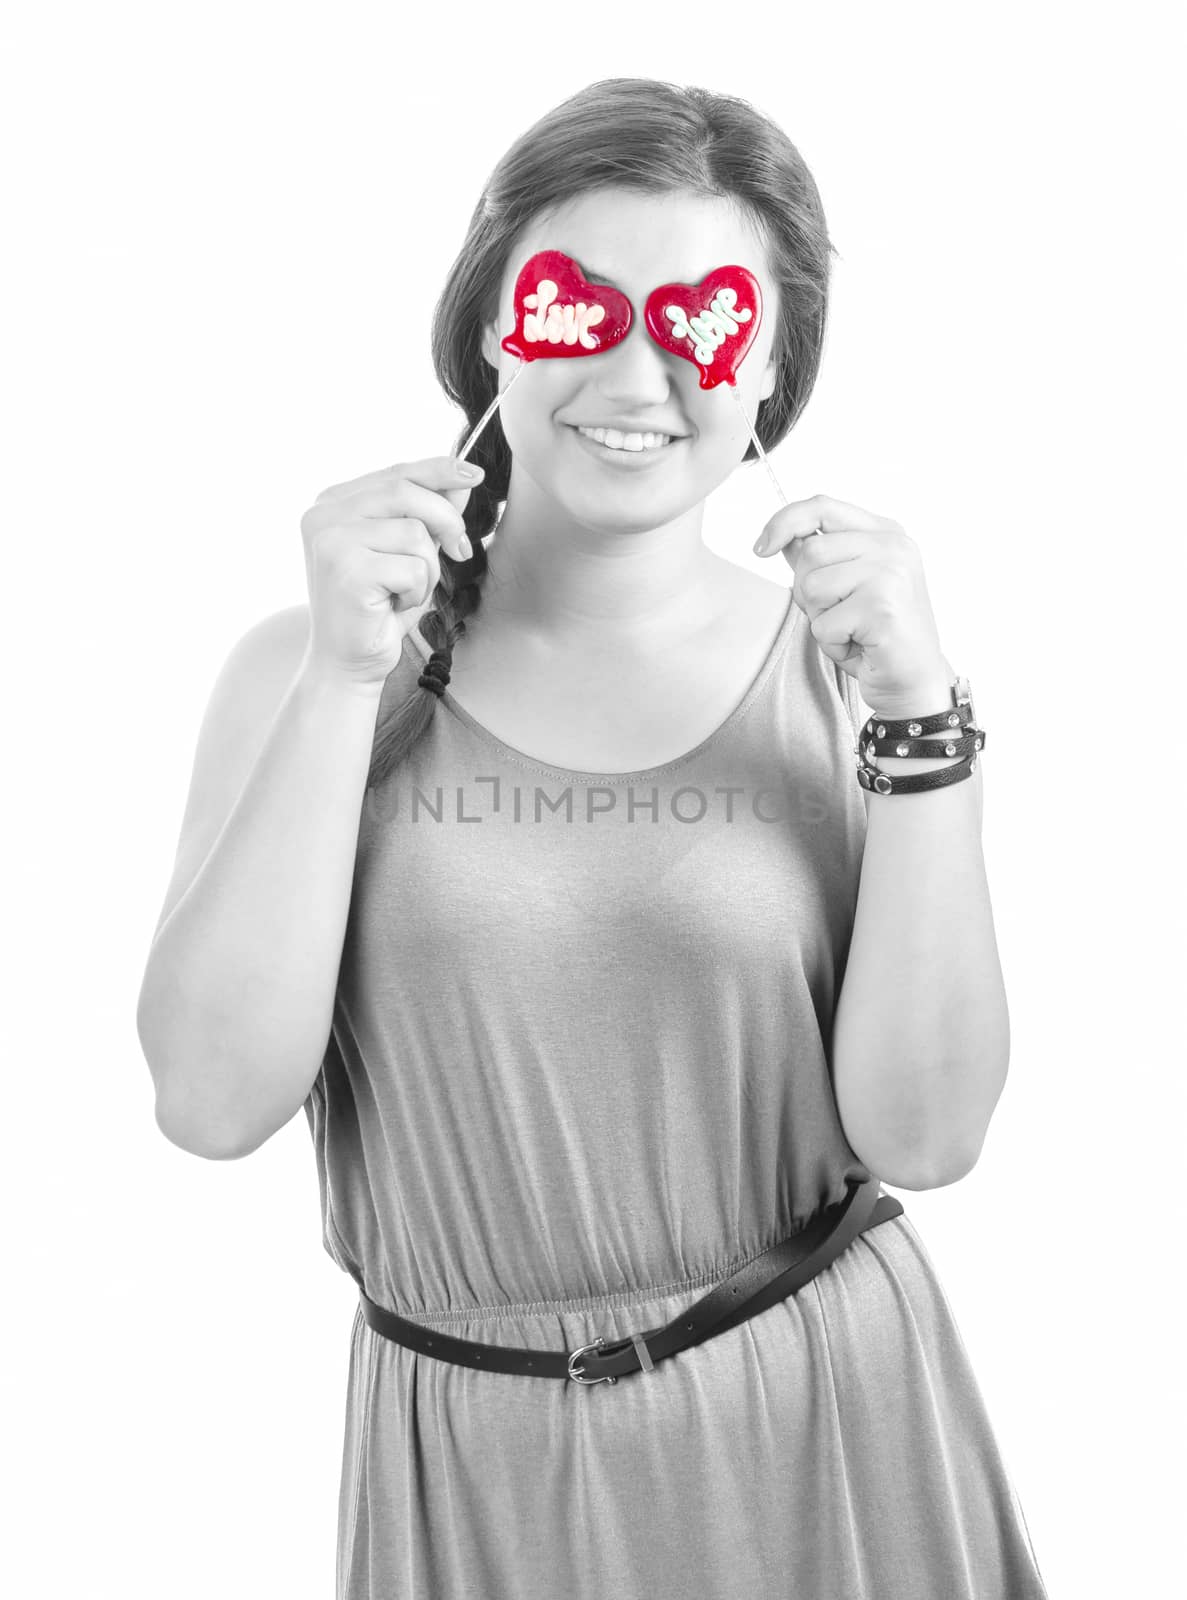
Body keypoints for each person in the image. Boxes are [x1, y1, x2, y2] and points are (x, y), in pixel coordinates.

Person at [137, 76, 1049, 1600]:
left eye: (701, 322)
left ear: (770, 377)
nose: (638, 370)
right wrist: (348, 682)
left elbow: (931, 1138)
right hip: (475, 1471)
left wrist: (923, 727)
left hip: (830, 1428)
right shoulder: (306, 672)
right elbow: (210, 1100)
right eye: (578, 307)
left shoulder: (859, 688)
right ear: (491, 328)